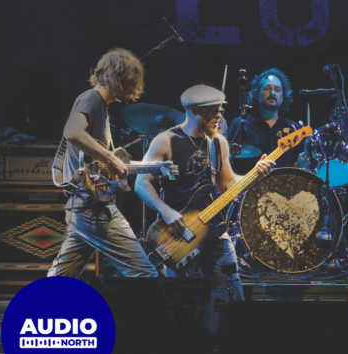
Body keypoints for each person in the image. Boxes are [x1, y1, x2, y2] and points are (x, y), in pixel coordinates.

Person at [135, 84, 275, 299]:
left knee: (231, 292)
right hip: (177, 234)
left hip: (214, 228)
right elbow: (141, 183)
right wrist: (165, 211)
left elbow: (227, 185)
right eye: (213, 111)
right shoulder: (166, 141)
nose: (219, 116)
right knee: (180, 299)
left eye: (221, 110)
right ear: (193, 110)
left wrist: (255, 175)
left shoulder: (218, 142)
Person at [48, 48, 158, 278]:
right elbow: (72, 131)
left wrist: (153, 167)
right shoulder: (91, 99)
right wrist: (109, 158)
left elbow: (96, 160)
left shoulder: (100, 105)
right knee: (144, 274)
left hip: (82, 206)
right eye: (130, 82)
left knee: (61, 278)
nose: (132, 89)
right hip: (93, 209)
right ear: (119, 78)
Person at [226, 68, 304, 169]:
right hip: (247, 179)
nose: (272, 93)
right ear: (256, 94)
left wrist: (304, 163)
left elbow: (297, 167)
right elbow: (226, 162)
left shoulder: (294, 129)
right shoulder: (240, 124)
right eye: (267, 88)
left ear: (283, 97)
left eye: (277, 90)